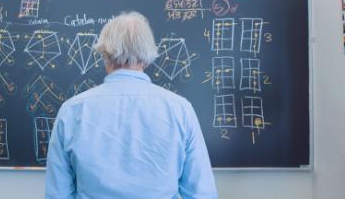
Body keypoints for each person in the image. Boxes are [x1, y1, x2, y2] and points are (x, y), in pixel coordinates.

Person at [45, 11, 217, 199]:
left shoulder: (72, 110)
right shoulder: (180, 109)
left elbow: (58, 194)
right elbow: (201, 193)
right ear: (148, 55)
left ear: (104, 52)